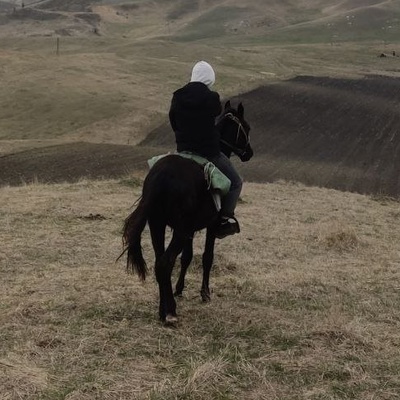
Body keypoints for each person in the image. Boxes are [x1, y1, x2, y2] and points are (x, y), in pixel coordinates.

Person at [169, 60, 242, 239]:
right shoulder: (212, 97)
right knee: (236, 182)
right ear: (210, 78)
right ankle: (224, 220)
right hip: (209, 153)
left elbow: (173, 121)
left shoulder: (177, 95)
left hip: (183, 151)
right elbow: (215, 116)